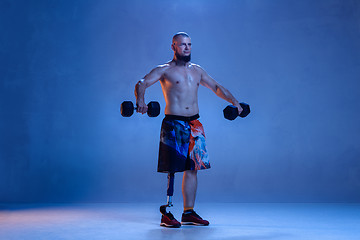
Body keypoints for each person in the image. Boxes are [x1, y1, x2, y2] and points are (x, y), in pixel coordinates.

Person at [134, 32, 243, 227]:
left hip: (194, 125)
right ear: (173, 47)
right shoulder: (164, 70)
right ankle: (167, 212)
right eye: (182, 45)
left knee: (193, 169)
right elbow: (142, 83)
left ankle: (188, 212)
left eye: (189, 44)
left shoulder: (197, 70)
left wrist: (235, 102)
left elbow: (216, 87)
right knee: (172, 169)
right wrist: (140, 100)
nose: (187, 48)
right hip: (173, 123)